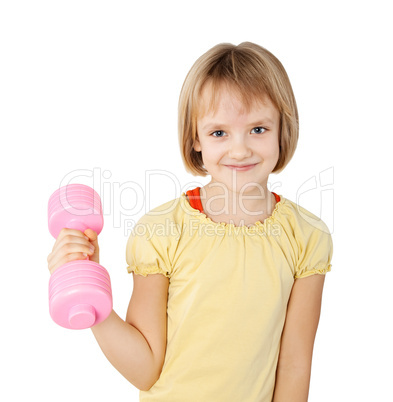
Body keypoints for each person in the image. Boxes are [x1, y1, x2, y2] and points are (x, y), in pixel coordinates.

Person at [47, 42, 333, 402]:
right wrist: (90, 298)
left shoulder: (306, 237)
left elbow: (294, 365)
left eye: (258, 129)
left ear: (282, 129)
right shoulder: (160, 233)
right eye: (219, 133)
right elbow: (145, 369)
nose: (240, 149)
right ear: (195, 138)